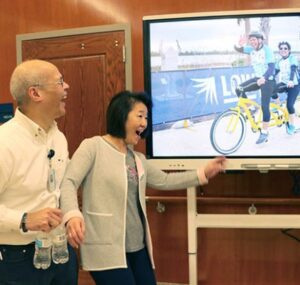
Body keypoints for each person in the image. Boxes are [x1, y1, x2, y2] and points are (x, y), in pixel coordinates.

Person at [60, 90, 227, 285]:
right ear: (121, 114)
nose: (144, 123)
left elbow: (165, 181)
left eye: (146, 118)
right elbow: (69, 182)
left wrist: (204, 173)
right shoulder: (93, 147)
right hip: (105, 247)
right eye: (139, 115)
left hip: (138, 247)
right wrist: (72, 214)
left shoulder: (137, 158)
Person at [0, 59, 78, 285]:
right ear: (35, 93)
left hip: (60, 250)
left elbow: (63, 185)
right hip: (16, 259)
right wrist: (23, 219)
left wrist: (72, 214)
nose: (67, 87)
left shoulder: (58, 137)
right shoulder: (4, 142)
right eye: (59, 82)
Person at [234, 31, 276, 144]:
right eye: (251, 40)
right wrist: (239, 44)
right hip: (258, 79)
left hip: (268, 80)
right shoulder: (251, 49)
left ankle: (265, 132)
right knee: (239, 89)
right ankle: (251, 110)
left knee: (264, 105)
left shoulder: (267, 50)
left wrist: (265, 77)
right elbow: (238, 49)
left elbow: (271, 67)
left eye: (254, 40)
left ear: (260, 40)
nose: (252, 42)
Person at [271, 41, 300, 135]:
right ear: (279, 51)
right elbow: (275, 72)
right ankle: (278, 105)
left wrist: (291, 80)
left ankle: (292, 125)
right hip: (284, 83)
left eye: (285, 48)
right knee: (271, 89)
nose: (283, 50)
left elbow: (293, 69)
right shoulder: (279, 61)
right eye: (281, 48)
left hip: (294, 85)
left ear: (289, 50)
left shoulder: (292, 58)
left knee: (289, 106)